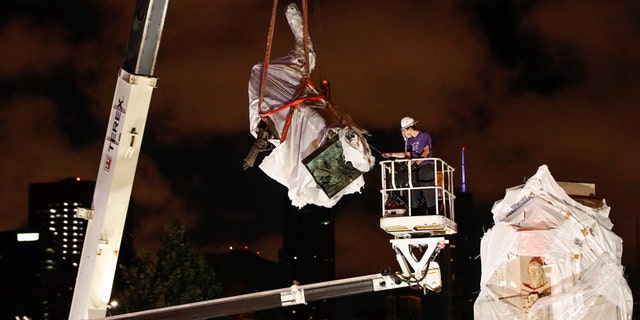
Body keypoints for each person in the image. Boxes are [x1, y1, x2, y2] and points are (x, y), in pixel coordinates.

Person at [382, 116, 436, 214]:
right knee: (412, 190)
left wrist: (416, 164)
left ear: (409, 128)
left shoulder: (424, 135)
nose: (403, 133)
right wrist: (392, 155)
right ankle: (415, 212)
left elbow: (426, 152)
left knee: (427, 187)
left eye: (404, 131)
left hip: (426, 166)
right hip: (415, 167)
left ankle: (432, 211)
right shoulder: (409, 141)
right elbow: (408, 156)